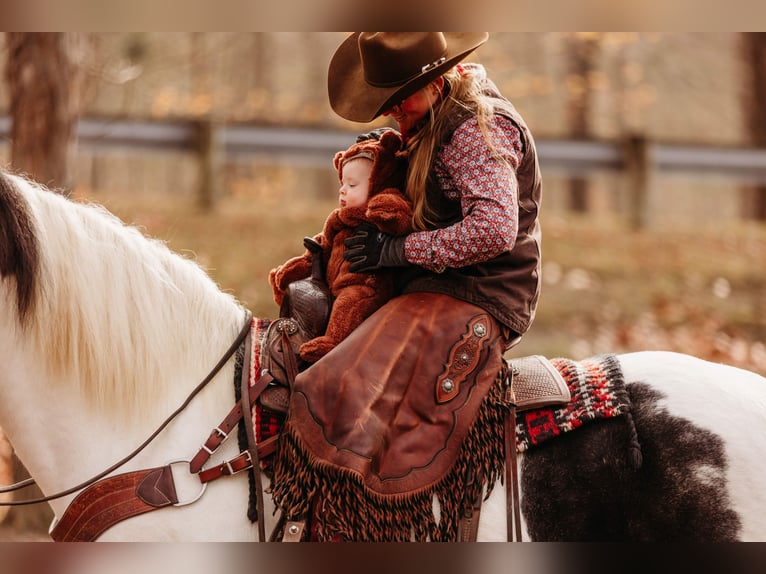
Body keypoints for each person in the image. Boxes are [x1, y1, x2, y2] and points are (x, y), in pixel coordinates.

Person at [329, 32, 542, 350]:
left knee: (368, 367)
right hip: (437, 281)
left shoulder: (476, 131)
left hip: (481, 290)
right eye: (388, 101)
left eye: (401, 97)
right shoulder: (432, 118)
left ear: (435, 84)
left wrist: (396, 251)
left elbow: (493, 231)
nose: (394, 110)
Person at [269, 129, 412, 363]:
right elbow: (326, 241)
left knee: (349, 302)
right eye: (343, 183)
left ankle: (333, 344)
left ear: (377, 184)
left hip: (364, 282)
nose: (343, 190)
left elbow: (400, 214)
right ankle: (294, 325)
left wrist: (386, 212)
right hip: (334, 279)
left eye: (352, 185)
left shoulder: (376, 207)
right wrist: (310, 256)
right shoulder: (339, 218)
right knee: (299, 280)